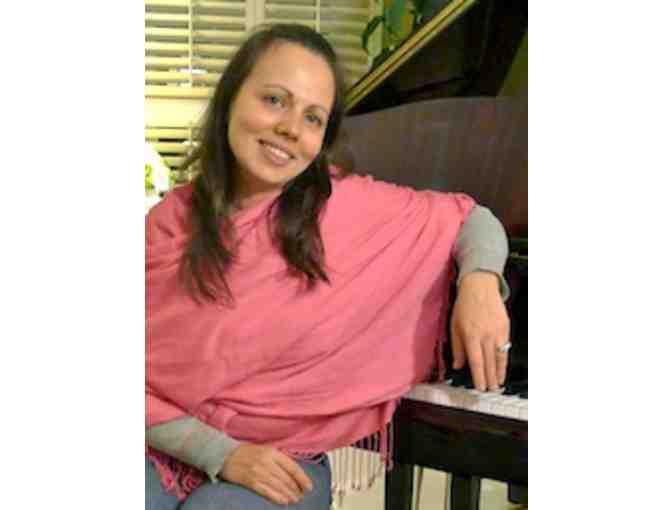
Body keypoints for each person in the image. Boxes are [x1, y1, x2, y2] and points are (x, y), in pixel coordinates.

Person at [146, 23, 511, 510]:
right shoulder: (164, 226)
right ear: (231, 96)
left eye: (313, 118)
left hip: (287, 456)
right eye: (274, 100)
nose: (290, 129)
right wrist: (221, 452)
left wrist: (480, 286)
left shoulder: (346, 207)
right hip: (164, 442)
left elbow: (472, 219)